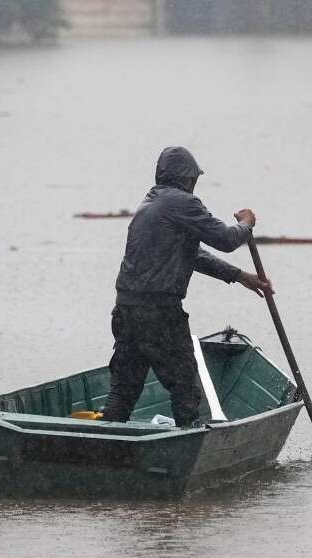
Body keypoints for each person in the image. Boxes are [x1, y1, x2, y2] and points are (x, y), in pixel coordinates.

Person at [103, 146, 272, 428]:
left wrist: (240, 276)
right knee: (185, 389)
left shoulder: (150, 204)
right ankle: (188, 447)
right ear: (187, 178)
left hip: (126, 310)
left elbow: (192, 255)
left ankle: (103, 447)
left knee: (123, 390)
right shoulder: (184, 204)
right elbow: (227, 240)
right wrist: (246, 224)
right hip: (159, 314)